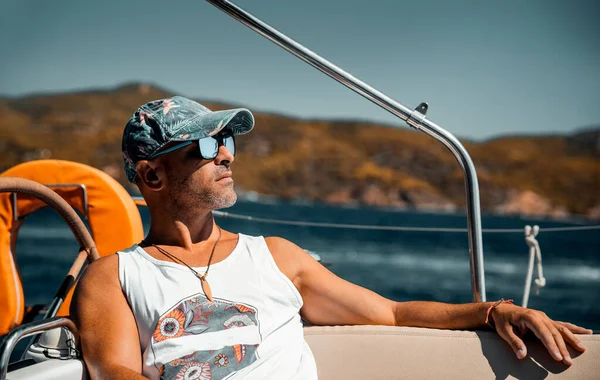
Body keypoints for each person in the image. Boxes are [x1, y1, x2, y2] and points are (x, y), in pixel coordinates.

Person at [71, 96, 592, 380]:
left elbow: (389, 313)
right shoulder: (113, 277)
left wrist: (493, 310)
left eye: (227, 140)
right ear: (152, 176)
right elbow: (113, 372)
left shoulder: (275, 257)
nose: (227, 153)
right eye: (207, 144)